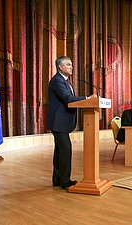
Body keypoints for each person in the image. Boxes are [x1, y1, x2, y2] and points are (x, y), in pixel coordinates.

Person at [47, 56, 97, 189]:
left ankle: (57, 179)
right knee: (65, 150)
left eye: (71, 65)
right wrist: (87, 98)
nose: (72, 67)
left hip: (61, 123)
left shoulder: (65, 81)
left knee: (59, 151)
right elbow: (68, 98)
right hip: (59, 123)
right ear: (60, 67)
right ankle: (65, 181)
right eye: (68, 65)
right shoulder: (57, 81)